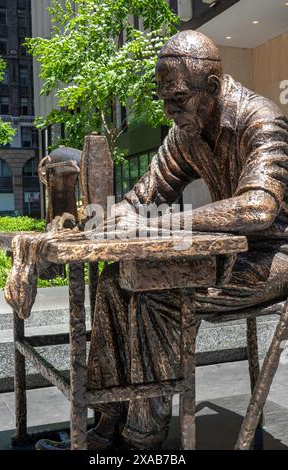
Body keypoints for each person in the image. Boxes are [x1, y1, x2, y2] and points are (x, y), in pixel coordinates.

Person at [36, 30, 288, 450]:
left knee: (160, 293)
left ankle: (143, 441)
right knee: (115, 279)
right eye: (164, 99)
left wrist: (160, 225)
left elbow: (257, 209)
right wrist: (108, 216)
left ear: (210, 88)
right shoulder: (186, 132)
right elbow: (142, 198)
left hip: (274, 256)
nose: (169, 111)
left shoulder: (261, 120)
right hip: (225, 253)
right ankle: (107, 422)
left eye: (177, 99)